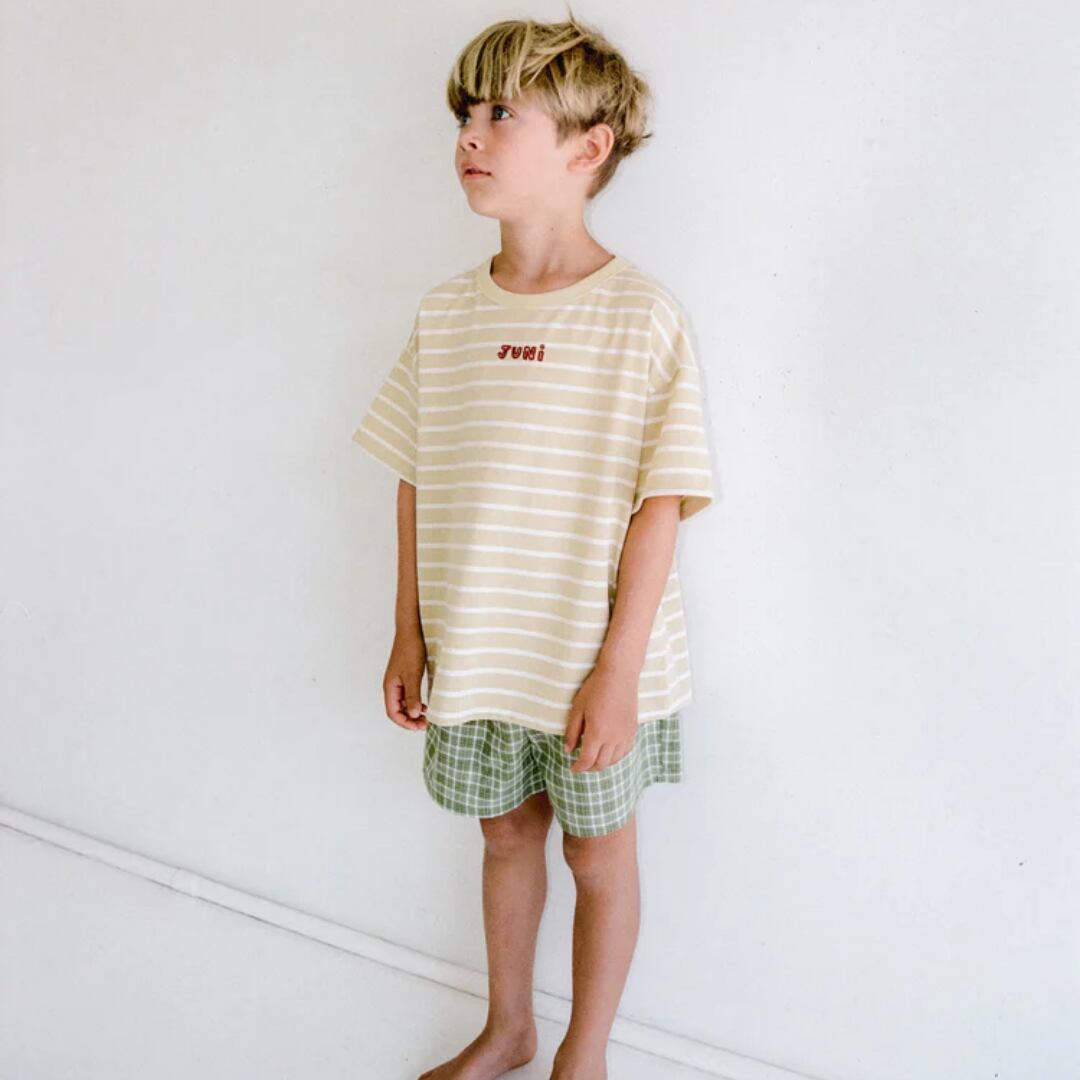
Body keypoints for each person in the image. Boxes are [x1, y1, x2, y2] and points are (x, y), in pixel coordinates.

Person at [351, 11, 717, 1079]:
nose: (469, 134)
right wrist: (408, 631)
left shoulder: (641, 316)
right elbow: (416, 473)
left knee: (598, 851)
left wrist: (619, 671)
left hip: (594, 660)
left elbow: (663, 504)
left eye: (501, 113)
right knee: (504, 834)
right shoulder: (448, 314)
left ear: (586, 147)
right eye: (465, 114)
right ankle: (508, 1027)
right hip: (479, 651)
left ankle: (582, 1054)